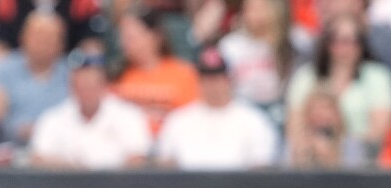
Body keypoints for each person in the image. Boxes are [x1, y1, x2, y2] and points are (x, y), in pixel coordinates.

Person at [286, 13, 391, 161]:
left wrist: (342, 148)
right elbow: (294, 125)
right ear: (327, 43)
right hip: (309, 156)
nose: (344, 48)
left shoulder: (376, 77)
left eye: (352, 41)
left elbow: (379, 131)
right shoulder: (306, 77)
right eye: (338, 40)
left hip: (360, 158)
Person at [156, 47, 278, 168]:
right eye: (206, 79)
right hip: (188, 185)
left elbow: (261, 169)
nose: (212, 85)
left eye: (217, 78)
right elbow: (165, 165)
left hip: (237, 186)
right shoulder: (178, 120)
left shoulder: (253, 120)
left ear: (229, 79)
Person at [30, 48, 152, 168]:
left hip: (116, 186)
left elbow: (138, 159)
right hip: (66, 185)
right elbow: (38, 159)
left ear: (104, 86)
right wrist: (69, 168)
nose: (86, 92)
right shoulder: (53, 118)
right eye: (81, 86)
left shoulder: (128, 116)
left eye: (91, 85)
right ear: (72, 88)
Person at [0, 11, 70, 144]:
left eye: (50, 37)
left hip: (59, 150)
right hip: (11, 150)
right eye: (38, 35)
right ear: (23, 37)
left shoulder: (72, 75)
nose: (43, 43)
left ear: (61, 44)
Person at [113, 8, 200, 134]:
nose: (124, 43)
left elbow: (194, 118)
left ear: (155, 37)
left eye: (131, 37)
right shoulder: (117, 75)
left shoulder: (184, 73)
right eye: (123, 37)